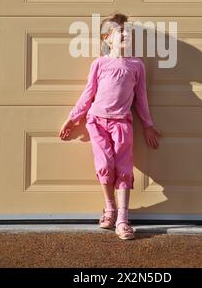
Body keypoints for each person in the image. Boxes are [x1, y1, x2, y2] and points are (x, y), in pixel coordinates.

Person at [59, 12, 162, 240]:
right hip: (96, 121)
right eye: (120, 31)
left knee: (124, 168)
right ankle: (110, 208)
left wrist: (148, 125)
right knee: (105, 164)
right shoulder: (99, 64)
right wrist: (73, 117)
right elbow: (88, 94)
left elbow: (141, 99)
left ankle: (123, 220)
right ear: (107, 38)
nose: (126, 34)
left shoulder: (137, 66)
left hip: (122, 123)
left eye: (128, 31)